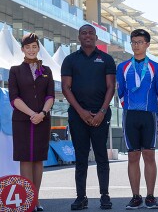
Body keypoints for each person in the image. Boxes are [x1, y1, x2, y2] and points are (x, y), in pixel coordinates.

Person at [61, 24, 115, 210]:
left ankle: (105, 196)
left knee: (101, 156)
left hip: (101, 114)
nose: (87, 36)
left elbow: (111, 87)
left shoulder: (106, 59)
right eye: (84, 33)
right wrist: (81, 112)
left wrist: (101, 112)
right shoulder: (70, 60)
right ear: (79, 37)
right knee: (81, 157)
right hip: (77, 116)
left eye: (91, 33)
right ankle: (81, 197)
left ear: (96, 37)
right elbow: (66, 88)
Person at [116, 29, 158, 209]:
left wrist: (150, 104)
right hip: (130, 115)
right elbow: (120, 91)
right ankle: (136, 196)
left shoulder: (155, 67)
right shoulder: (123, 67)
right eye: (134, 42)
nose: (136, 45)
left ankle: (150, 196)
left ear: (147, 44)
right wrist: (128, 105)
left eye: (140, 42)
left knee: (149, 155)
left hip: (149, 114)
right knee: (133, 156)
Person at [8, 33, 55, 211]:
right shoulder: (15, 70)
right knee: (25, 160)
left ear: (38, 48)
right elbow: (14, 98)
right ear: (22, 49)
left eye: (34, 46)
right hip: (22, 121)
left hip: (43, 120)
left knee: (38, 160)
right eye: (27, 47)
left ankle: (36, 200)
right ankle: (27, 199)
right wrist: (32, 114)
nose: (31, 50)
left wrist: (42, 113)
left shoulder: (47, 71)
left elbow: (50, 96)